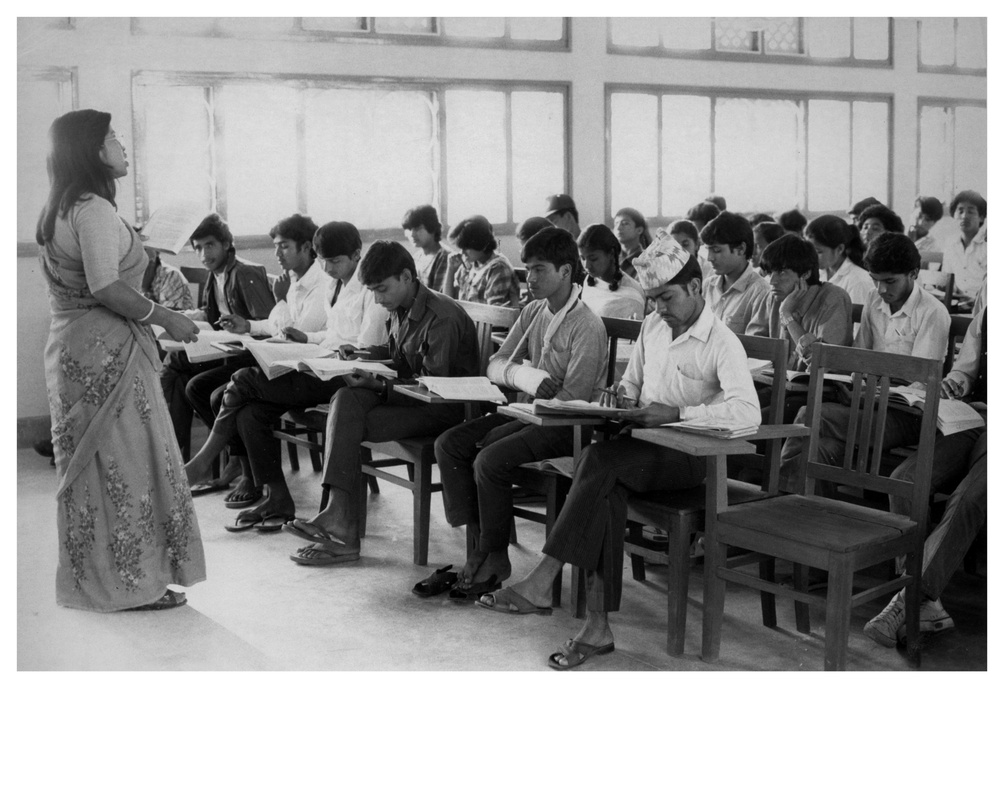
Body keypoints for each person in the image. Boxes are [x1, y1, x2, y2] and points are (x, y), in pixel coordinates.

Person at [475, 231, 761, 670]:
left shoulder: (722, 341)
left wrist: (679, 412)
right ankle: (596, 627)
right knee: (603, 487)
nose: (659, 310)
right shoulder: (653, 326)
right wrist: (621, 398)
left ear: (695, 288)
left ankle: (544, 579)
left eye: (666, 298)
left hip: (687, 459)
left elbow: (747, 412)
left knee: (598, 464)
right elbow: (632, 384)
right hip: (638, 450)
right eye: (653, 300)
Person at [36, 109, 205, 611]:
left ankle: (106, 580)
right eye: (112, 137)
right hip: (108, 355)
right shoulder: (90, 208)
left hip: (76, 349)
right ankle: (130, 585)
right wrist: (166, 318)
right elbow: (106, 284)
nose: (122, 146)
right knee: (126, 464)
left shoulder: (64, 206)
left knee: (100, 466)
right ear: (91, 150)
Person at [431, 228, 608, 597]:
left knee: (488, 458)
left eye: (540, 269)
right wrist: (524, 376)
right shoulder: (532, 311)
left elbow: (572, 401)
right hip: (526, 411)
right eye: (528, 269)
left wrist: (533, 389)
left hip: (566, 425)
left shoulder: (586, 325)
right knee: (449, 444)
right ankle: (483, 544)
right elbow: (496, 365)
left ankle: (491, 555)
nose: (531, 278)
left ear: (566, 271)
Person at [283, 241, 480, 566]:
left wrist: (378, 384)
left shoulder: (440, 317)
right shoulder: (401, 307)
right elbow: (399, 357)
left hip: (445, 410)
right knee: (345, 398)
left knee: (345, 417)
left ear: (406, 276)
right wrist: (359, 354)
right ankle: (338, 519)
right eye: (372, 290)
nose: (377, 299)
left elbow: (432, 389)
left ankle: (340, 522)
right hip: (412, 402)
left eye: (382, 289)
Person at [183, 221, 390, 531]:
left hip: (345, 376)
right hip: (322, 364)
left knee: (241, 380)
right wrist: (306, 340)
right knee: (250, 413)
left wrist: (321, 350)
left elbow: (365, 348)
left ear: (357, 255)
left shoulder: (369, 289)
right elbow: (330, 334)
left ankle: (204, 460)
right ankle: (278, 497)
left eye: (335, 261)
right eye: (324, 261)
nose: (328, 268)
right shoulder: (335, 284)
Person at [778, 233, 951, 495]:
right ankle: (819, 515)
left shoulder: (932, 312)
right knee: (821, 449)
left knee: (809, 415)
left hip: (908, 416)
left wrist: (873, 386)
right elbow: (860, 355)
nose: (882, 289)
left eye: (890, 281)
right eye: (875, 280)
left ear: (914, 273)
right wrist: (851, 380)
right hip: (867, 403)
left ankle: (781, 503)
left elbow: (921, 384)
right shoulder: (874, 298)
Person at [865, 305, 986, 646]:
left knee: (969, 498)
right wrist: (956, 383)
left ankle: (906, 600)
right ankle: (923, 601)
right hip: (974, 418)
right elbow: (967, 368)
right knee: (907, 479)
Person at [159, 212, 274, 472]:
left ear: (226, 243)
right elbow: (211, 316)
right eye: (197, 248)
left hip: (248, 359)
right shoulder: (216, 273)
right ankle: (181, 458)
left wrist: (236, 332)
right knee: (181, 380)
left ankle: (234, 457)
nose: (203, 254)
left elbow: (269, 328)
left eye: (209, 245)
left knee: (180, 367)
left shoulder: (245, 273)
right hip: (226, 353)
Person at [758, 234, 853, 424]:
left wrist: (788, 316)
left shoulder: (833, 298)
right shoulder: (774, 298)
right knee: (735, 408)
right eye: (771, 273)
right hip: (780, 386)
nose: (772, 281)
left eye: (782, 272)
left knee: (757, 421)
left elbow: (822, 361)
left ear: (806, 274)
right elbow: (758, 345)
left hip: (818, 392)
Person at [700, 211, 769, 336]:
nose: (709, 258)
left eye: (716, 250)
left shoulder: (760, 292)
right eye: (708, 250)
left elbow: (756, 348)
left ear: (741, 249)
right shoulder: (707, 286)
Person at [442, 215, 520, 307]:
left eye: (466, 247)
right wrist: (450, 270)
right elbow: (446, 302)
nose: (462, 252)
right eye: (461, 248)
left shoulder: (498, 268)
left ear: (481, 243)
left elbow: (495, 314)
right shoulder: (469, 265)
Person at [577, 223, 646, 319]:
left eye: (593, 259)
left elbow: (633, 331)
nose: (586, 265)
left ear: (611, 253)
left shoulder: (631, 296)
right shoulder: (589, 280)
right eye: (582, 258)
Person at [804, 214, 875, 305]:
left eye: (818, 251)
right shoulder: (818, 272)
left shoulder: (859, 281)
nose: (811, 256)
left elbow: (856, 318)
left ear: (840, 249)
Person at [941, 190, 987, 308]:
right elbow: (947, 278)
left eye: (970, 211)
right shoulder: (950, 243)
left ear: (981, 217)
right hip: (957, 303)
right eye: (960, 211)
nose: (964, 216)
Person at [402, 204, 449, 292]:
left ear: (432, 228)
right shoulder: (416, 257)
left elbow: (441, 298)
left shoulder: (444, 257)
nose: (412, 234)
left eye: (418, 229)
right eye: (409, 229)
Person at [613, 206, 652, 278]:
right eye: (616, 223)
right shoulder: (611, 258)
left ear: (639, 230)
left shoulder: (648, 260)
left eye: (625, 223)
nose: (618, 228)